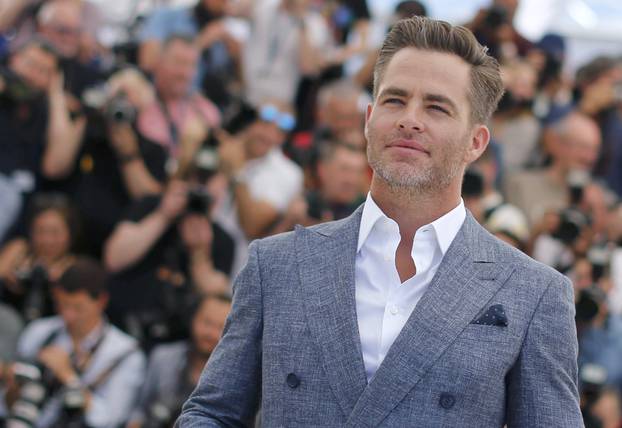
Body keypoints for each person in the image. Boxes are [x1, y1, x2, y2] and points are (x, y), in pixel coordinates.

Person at [176, 16, 581, 427]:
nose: (409, 119)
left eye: (436, 107)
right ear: (369, 119)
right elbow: (211, 412)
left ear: (475, 142)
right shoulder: (276, 264)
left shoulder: (535, 294)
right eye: (394, 100)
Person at [4, 257, 145, 427]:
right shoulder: (39, 332)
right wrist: (13, 386)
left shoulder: (126, 352)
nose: (68, 315)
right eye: (62, 305)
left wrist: (69, 377)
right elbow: (9, 405)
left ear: (101, 301)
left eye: (78, 308)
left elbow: (110, 419)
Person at [126, 293, 231, 428]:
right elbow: (140, 410)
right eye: (207, 322)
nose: (210, 333)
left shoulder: (233, 378)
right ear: (193, 318)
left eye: (220, 327)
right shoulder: (163, 357)